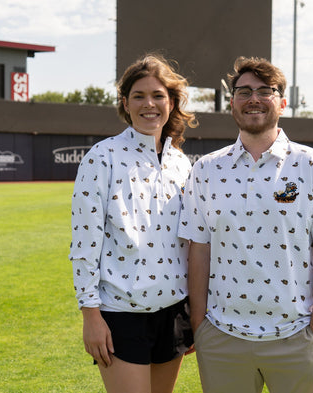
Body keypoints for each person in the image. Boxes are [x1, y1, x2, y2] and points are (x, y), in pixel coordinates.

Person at [178, 56, 313, 393]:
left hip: (295, 337)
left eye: (266, 91)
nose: (254, 99)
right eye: (244, 91)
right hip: (222, 338)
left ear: (283, 102)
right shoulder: (205, 170)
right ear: (232, 102)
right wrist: (200, 324)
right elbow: (198, 251)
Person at [69, 53, 198, 393]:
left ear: (172, 102)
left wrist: (193, 315)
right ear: (125, 103)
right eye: (139, 96)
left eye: (158, 95)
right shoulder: (101, 157)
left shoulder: (181, 164)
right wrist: (91, 316)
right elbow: (85, 243)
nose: (149, 104)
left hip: (174, 311)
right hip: (120, 313)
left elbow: (191, 245)